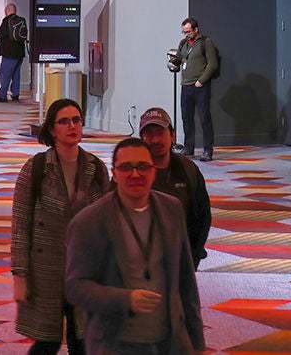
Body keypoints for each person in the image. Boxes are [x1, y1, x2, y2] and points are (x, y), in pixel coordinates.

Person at [65, 137, 205, 354]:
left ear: (153, 170)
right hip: (115, 344)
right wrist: (125, 299)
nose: (135, 174)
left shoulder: (172, 209)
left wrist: (196, 344)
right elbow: (75, 288)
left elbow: (185, 281)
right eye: (126, 167)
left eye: (142, 167)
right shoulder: (88, 221)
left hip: (169, 343)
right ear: (114, 172)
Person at [10, 98, 111, 354]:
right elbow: (21, 225)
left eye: (76, 119)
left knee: (83, 339)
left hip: (85, 269)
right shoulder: (37, 168)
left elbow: (106, 224)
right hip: (45, 268)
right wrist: (19, 275)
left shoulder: (96, 168)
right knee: (47, 341)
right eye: (64, 121)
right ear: (52, 129)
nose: (72, 126)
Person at [139, 106, 212, 267]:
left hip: (181, 258)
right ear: (141, 138)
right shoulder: (130, 171)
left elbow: (202, 216)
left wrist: (194, 255)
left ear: (172, 135)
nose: (155, 140)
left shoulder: (188, 170)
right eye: (149, 134)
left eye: (160, 133)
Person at [176, 17, 219, 162]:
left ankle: (208, 150)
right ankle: (189, 148)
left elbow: (212, 65)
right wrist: (173, 62)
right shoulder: (183, 44)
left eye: (188, 31)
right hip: (185, 86)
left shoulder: (206, 43)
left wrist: (201, 81)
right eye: (184, 32)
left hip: (200, 87)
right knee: (186, 118)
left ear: (196, 29)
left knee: (204, 118)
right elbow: (178, 59)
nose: (186, 34)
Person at [0, 3, 27, 103]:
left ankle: (2, 95)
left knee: (4, 74)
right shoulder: (22, 20)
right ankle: (15, 94)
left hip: (9, 53)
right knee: (16, 75)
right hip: (19, 53)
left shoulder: (6, 20)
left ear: (8, 10)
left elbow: (1, 35)